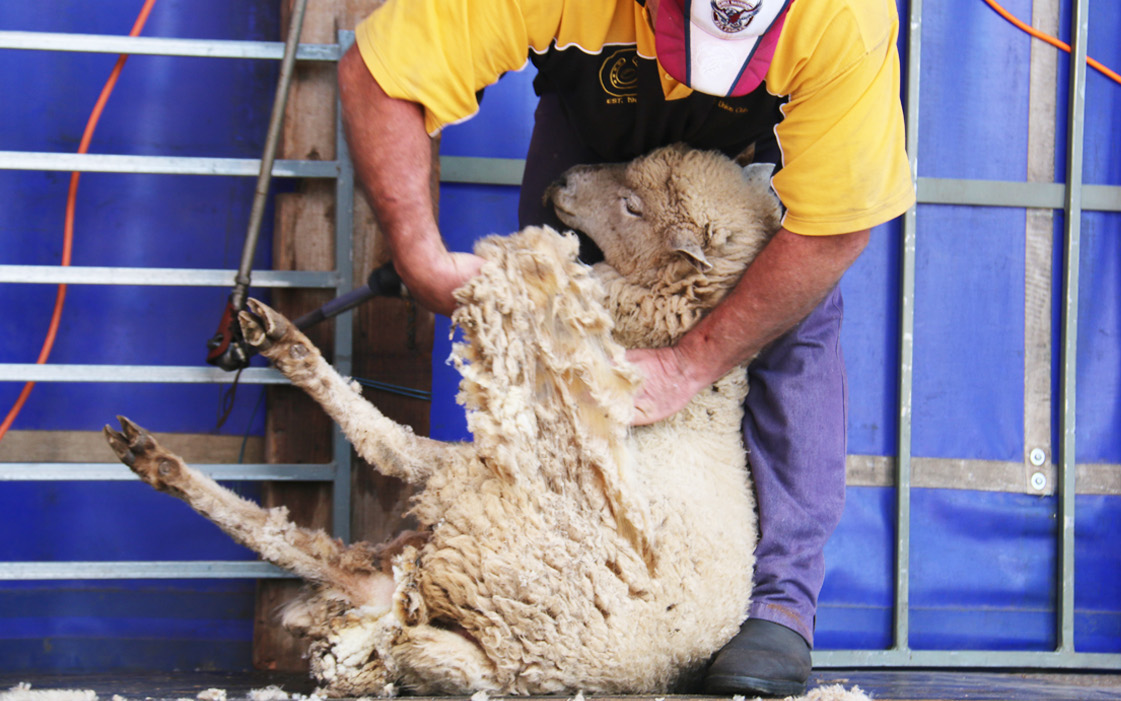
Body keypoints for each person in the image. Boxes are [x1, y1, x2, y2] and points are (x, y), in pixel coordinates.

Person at [338, 0, 914, 694]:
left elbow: (834, 227)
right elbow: (383, 72)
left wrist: (688, 362)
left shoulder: (841, 14)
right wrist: (420, 255)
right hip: (596, 122)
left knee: (798, 327)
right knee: (554, 314)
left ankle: (780, 604)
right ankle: (540, 572)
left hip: (745, 157)